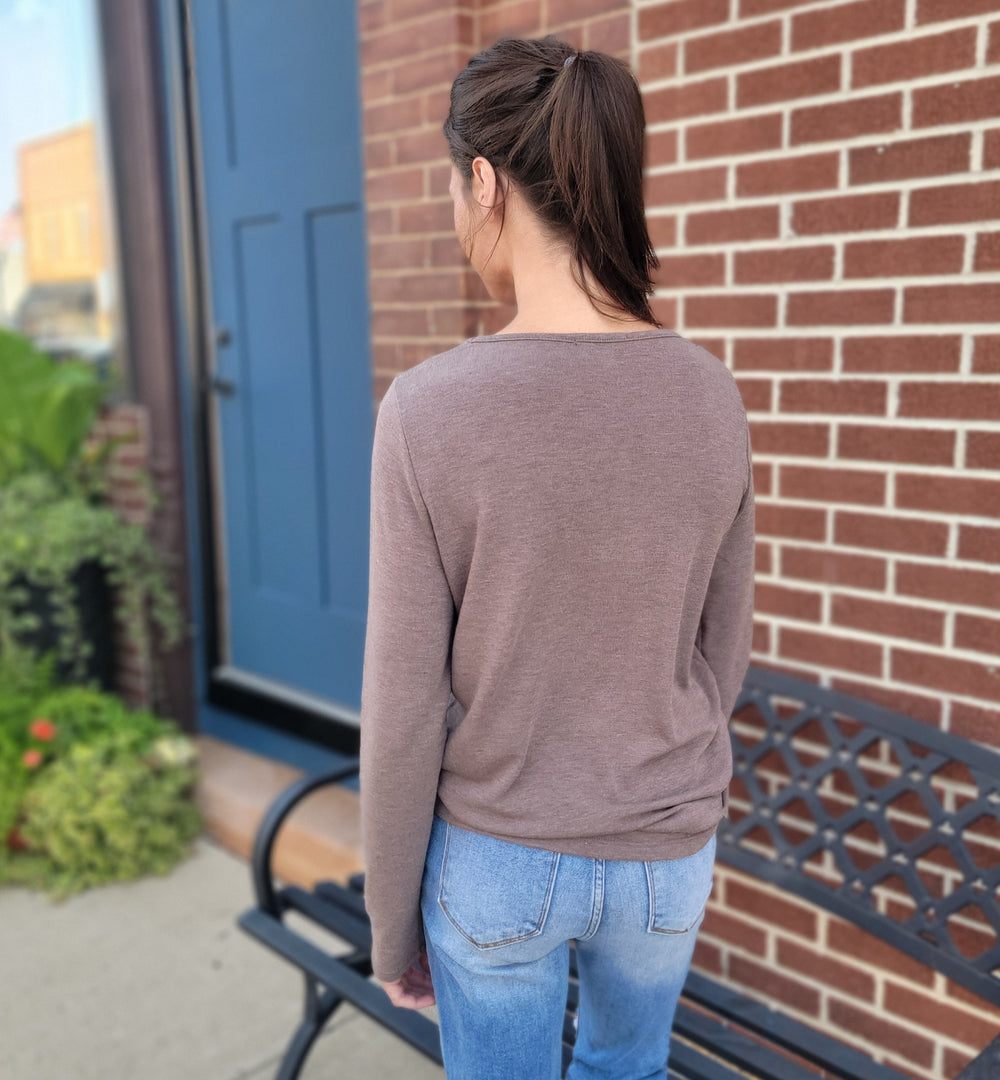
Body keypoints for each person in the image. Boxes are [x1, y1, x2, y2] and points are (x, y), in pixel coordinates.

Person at [359, 36, 755, 1080]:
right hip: (666, 859)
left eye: (454, 185)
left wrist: (391, 920)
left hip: (498, 857)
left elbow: (401, 705)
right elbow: (724, 648)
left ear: (483, 183)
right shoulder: (708, 393)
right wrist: (657, 774)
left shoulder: (429, 409)